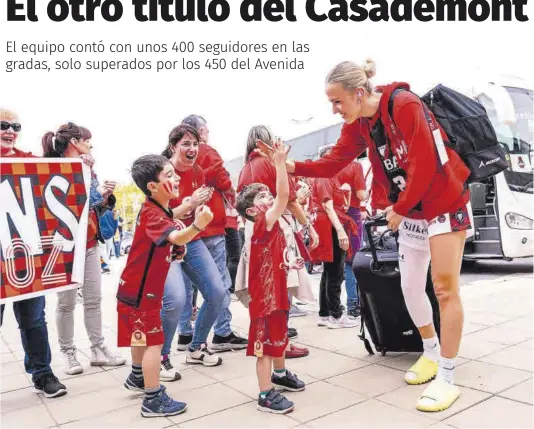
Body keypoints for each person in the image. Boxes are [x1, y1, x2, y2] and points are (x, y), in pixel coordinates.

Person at [285, 59, 473, 412]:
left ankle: (448, 376)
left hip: (444, 201)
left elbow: (426, 162)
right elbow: (333, 163)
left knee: (445, 288)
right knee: (410, 286)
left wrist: (399, 208)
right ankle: (430, 352)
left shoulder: (404, 104)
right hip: (411, 207)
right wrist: (288, 164)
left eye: (337, 101)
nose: (335, 109)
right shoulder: (360, 123)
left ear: (358, 94)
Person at [117, 154, 213, 417]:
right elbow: (176, 235)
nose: (177, 177)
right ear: (152, 186)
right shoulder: (153, 213)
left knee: (141, 336)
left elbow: (169, 230)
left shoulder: (156, 209)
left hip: (133, 287)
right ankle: (152, 399)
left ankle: (137, 377)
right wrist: (197, 225)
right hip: (143, 290)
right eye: (169, 175)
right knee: (153, 343)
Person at [42, 122, 126, 374]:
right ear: (74, 142)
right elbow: (66, 206)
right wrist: (98, 193)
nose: (90, 144)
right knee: (66, 302)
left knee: (93, 299)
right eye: (87, 140)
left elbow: (93, 206)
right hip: (64, 246)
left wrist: (105, 196)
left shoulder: (89, 168)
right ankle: (68, 352)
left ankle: (98, 348)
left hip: (89, 243)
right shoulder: (52, 169)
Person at [0, 109, 67, 398]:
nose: (10, 131)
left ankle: (43, 373)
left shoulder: (28, 161)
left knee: (33, 319)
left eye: (15, 126)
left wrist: (81, 164)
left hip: (24, 255)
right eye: (3, 125)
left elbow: (59, 178)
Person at [236, 139, 305, 414]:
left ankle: (280, 374)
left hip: (276, 292)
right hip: (264, 299)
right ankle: (265, 394)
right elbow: (284, 197)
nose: (270, 199)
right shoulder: (262, 224)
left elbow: (277, 255)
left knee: (279, 338)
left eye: (268, 194)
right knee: (264, 347)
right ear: (252, 211)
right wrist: (278, 164)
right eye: (262, 198)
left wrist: (290, 261)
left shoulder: (272, 226)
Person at [238, 125, 317, 359]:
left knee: (265, 290)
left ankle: (275, 343)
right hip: (277, 229)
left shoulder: (245, 169)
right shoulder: (268, 164)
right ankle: (281, 344)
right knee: (282, 287)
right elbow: (288, 199)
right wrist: (308, 226)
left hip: (255, 233)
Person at [159, 124, 227, 379]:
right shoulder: (162, 170)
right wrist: (191, 203)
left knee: (217, 292)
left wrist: (199, 212)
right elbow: (159, 216)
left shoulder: (198, 171)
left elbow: (192, 211)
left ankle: (196, 347)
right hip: (167, 243)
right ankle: (162, 356)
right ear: (173, 146)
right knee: (175, 299)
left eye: (195, 144)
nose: (192, 149)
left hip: (192, 238)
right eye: (186, 144)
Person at [179, 115, 248, 351]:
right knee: (218, 281)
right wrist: (233, 197)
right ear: (199, 132)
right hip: (209, 224)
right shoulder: (207, 151)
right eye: (205, 131)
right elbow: (223, 179)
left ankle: (185, 334)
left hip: (187, 229)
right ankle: (222, 331)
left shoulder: (173, 159)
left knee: (187, 284)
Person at [309, 145, 358, 329]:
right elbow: (328, 206)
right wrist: (340, 230)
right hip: (329, 226)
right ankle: (336, 315)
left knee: (329, 271)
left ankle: (325, 313)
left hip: (326, 225)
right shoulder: (325, 177)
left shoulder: (326, 177)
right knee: (335, 271)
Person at [337, 160, 368, 318]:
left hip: (334, 214)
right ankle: (353, 303)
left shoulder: (333, 164)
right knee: (352, 260)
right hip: (352, 214)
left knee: (334, 264)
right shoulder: (355, 166)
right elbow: (361, 194)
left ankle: (331, 306)